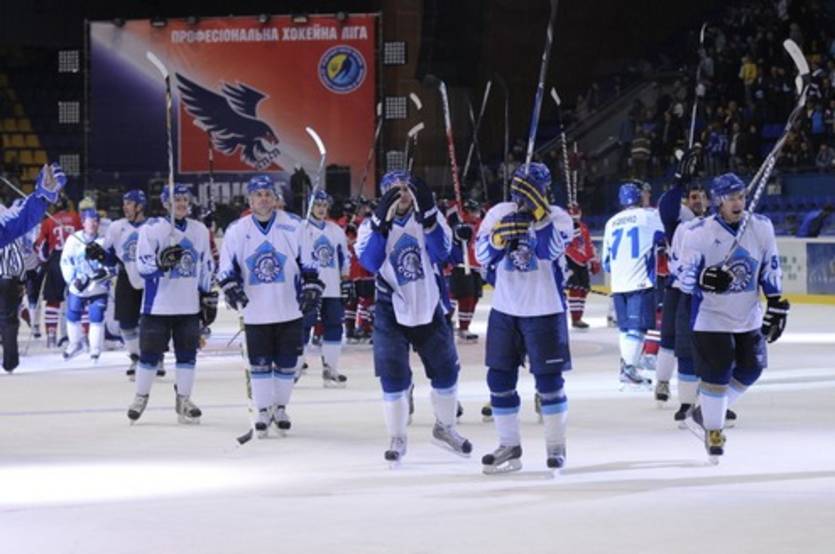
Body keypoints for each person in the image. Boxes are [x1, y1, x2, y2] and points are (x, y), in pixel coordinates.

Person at [356, 170, 471, 465]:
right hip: (390, 307)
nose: (402, 195)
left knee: (446, 371)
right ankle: (397, 436)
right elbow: (370, 261)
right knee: (392, 375)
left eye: (406, 189)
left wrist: (430, 217)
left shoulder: (428, 218)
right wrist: (380, 226)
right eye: (394, 191)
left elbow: (442, 252)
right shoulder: (369, 226)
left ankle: (445, 428)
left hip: (429, 304)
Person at [679, 173, 788, 460]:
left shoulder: (761, 226)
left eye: (741, 197)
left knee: (752, 368)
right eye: (731, 198)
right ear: (718, 201)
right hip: (710, 316)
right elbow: (683, 277)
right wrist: (703, 277)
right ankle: (714, 430)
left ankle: (705, 413)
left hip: (748, 315)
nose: (738, 203)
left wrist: (776, 301)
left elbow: (770, 266)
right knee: (718, 373)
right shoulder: (698, 231)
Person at [476, 163, 570, 473]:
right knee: (498, 379)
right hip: (505, 310)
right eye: (519, 188)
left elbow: (549, 251)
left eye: (531, 189)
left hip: (545, 310)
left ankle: (556, 447)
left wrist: (540, 218)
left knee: (549, 383)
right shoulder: (498, 212)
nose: (523, 195)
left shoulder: (559, 217)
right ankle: (509, 445)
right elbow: (480, 256)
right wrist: (498, 238)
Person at [218, 175, 320, 438]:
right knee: (260, 364)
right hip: (255, 311)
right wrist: (230, 286)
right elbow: (226, 268)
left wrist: (311, 286)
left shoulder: (294, 225)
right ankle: (263, 410)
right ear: (250, 200)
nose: (263, 199)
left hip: (289, 308)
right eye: (258, 194)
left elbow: (310, 264)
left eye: (267, 194)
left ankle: (280, 408)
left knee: (288, 364)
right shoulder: (236, 230)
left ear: (275, 199)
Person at [126, 184, 215, 424]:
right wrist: (161, 264)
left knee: (187, 356)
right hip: (158, 307)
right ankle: (140, 397)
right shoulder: (152, 229)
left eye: (185, 199)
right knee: (149, 356)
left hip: (188, 307)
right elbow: (142, 266)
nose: (182, 203)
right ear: (166, 203)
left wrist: (207, 293)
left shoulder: (199, 230)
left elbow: (206, 264)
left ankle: (183, 399)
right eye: (176, 199)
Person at [602, 182, 665, 388]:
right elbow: (667, 236)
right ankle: (629, 370)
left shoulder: (611, 222)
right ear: (639, 197)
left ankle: (627, 367)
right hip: (640, 280)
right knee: (637, 329)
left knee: (625, 328)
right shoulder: (649, 216)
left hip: (618, 284)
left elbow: (605, 262)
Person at [87, 190, 149, 378]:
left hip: (150, 278)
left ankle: (154, 356)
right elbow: (110, 259)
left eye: (129, 203)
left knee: (151, 321)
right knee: (126, 323)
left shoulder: (154, 227)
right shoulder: (116, 227)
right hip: (125, 277)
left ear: (140, 206)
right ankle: (136, 357)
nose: (125, 207)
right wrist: (99, 255)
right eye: (124, 203)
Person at [299, 190, 350, 387]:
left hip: (332, 287)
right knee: (304, 325)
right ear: (310, 207)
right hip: (308, 287)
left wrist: (345, 280)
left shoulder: (335, 230)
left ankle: (331, 369)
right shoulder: (300, 229)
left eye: (324, 206)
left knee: (334, 326)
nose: (321, 209)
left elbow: (343, 257)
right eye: (317, 205)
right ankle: (296, 366)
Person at [59, 208, 114, 360]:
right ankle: (76, 343)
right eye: (91, 221)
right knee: (72, 313)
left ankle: (95, 348)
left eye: (96, 221)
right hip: (79, 286)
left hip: (98, 287)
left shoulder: (104, 240)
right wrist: (72, 279)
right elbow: (65, 261)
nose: (94, 224)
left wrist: (104, 273)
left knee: (96, 316)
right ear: (83, 222)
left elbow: (112, 263)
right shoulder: (73, 240)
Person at [447, 199, 484, 343]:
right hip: (462, 265)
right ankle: (446, 323)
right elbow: (454, 233)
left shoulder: (481, 223)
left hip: (476, 266)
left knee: (474, 298)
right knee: (462, 296)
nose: (476, 213)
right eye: (473, 211)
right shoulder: (460, 223)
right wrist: (458, 232)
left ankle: (465, 327)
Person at [564, 202, 601, 329]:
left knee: (583, 289)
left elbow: (588, 244)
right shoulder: (564, 227)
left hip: (582, 262)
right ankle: (575, 318)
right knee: (574, 289)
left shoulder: (583, 227)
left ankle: (578, 317)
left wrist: (593, 259)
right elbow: (565, 245)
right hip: (570, 261)